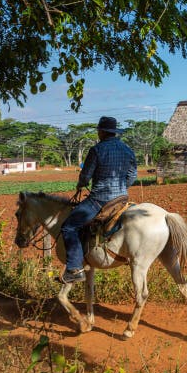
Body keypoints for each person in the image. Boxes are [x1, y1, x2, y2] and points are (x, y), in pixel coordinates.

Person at [59, 116, 137, 283]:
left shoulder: (97, 150)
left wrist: (80, 184)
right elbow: (132, 175)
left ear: (102, 132)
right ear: (114, 132)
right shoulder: (128, 150)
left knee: (68, 226)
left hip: (100, 200)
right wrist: (122, 187)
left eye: (99, 131)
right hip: (122, 199)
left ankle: (74, 268)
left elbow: (86, 177)